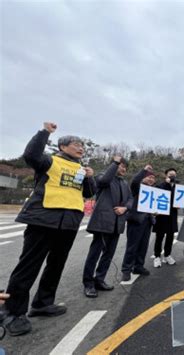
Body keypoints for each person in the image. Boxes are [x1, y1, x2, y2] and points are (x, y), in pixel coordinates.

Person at [3, 122, 96, 336]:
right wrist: (45, 133)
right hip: (43, 219)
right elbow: (30, 154)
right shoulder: (49, 161)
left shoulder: (81, 169)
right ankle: (13, 312)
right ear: (62, 147)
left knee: (56, 264)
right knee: (28, 266)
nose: (81, 148)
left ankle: (43, 303)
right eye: (76, 144)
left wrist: (90, 177)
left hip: (69, 223)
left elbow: (89, 193)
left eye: (82, 145)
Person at [83, 156, 132, 298]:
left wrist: (124, 208)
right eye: (121, 166)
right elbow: (103, 182)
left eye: (125, 167)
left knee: (108, 254)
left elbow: (131, 199)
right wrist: (115, 163)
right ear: (114, 165)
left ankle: (99, 279)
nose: (123, 169)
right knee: (94, 254)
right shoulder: (103, 176)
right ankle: (88, 283)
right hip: (102, 222)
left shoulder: (124, 183)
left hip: (117, 223)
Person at [121, 165, 156, 282]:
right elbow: (135, 181)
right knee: (132, 246)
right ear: (143, 178)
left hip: (147, 221)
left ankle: (138, 266)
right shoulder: (137, 188)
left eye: (153, 178)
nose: (151, 179)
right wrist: (144, 170)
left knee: (143, 246)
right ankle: (126, 270)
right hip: (136, 220)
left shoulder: (154, 192)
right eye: (148, 177)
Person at [152, 168, 179, 267]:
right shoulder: (160, 186)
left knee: (170, 237)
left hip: (172, 216)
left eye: (174, 175)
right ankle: (157, 256)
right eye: (170, 175)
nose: (172, 176)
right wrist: (167, 184)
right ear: (166, 175)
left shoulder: (177, 187)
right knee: (159, 237)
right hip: (162, 216)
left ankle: (167, 255)